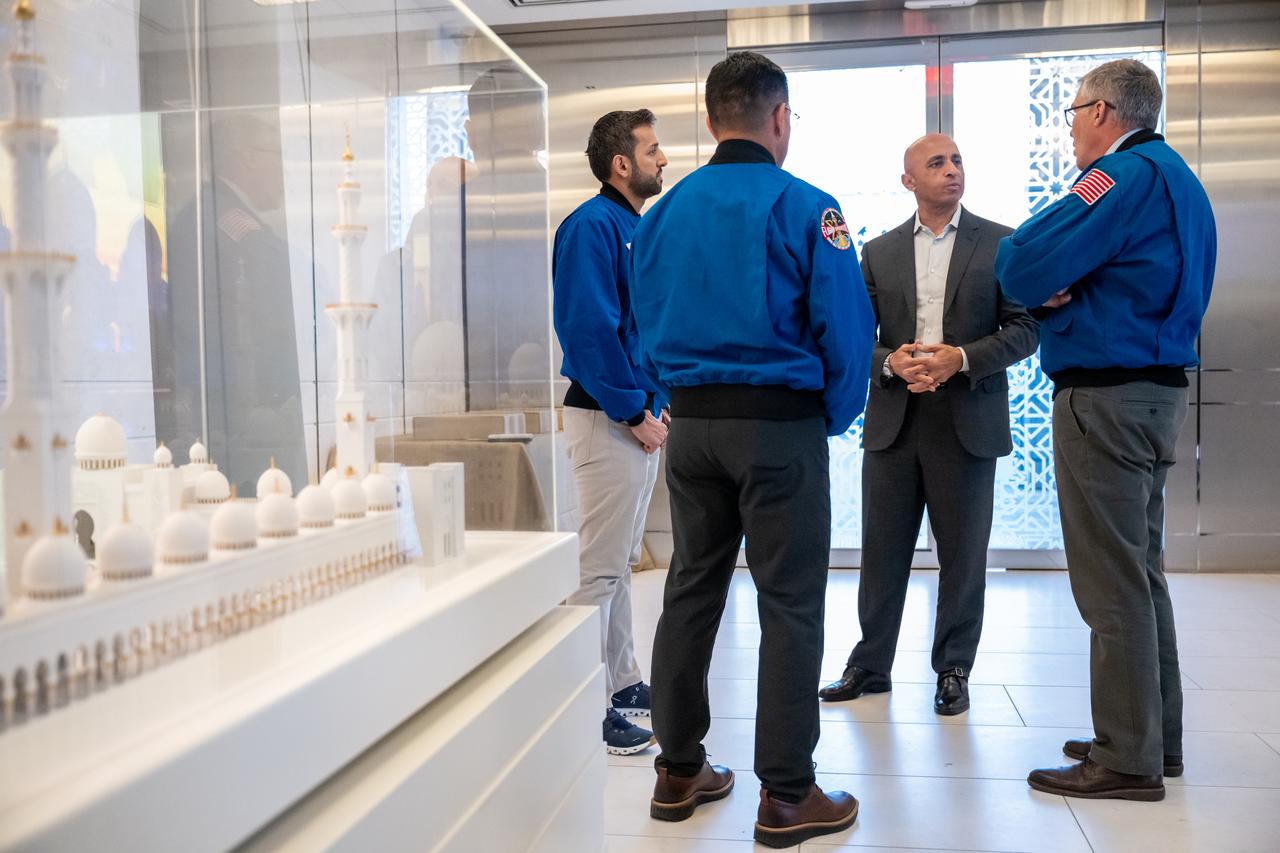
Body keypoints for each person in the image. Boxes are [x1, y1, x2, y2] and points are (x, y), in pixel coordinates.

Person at [629, 51, 875, 849]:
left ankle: (678, 770)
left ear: (709, 121)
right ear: (780, 119)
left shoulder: (660, 214)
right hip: (778, 426)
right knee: (790, 602)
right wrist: (827, 419)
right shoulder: (809, 207)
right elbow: (847, 326)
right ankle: (788, 794)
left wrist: (677, 398)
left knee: (689, 592)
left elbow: (644, 321)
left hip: (692, 428)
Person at [995, 59, 1216, 801]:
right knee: (1142, 574)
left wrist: (1056, 282)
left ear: (1101, 113)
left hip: (1106, 397)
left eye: (1072, 114)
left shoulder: (1118, 177)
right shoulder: (1181, 180)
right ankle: (1156, 736)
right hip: (1156, 393)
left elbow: (1021, 264)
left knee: (1111, 583)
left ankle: (1125, 757)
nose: (1069, 132)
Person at [818, 134, 1038, 715]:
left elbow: (1024, 329)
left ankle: (954, 669)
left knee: (962, 556)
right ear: (908, 181)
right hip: (896, 418)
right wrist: (889, 363)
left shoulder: (1001, 242)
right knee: (881, 551)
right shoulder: (879, 251)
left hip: (967, 417)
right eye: (936, 163)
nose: (951, 171)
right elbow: (851, 335)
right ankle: (869, 665)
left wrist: (959, 358)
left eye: (958, 160)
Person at [553, 109, 670, 756]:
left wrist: (658, 403)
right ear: (620, 163)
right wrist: (633, 410)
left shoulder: (635, 226)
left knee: (621, 564)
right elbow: (589, 331)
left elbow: (643, 327)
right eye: (652, 149)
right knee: (598, 569)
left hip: (637, 415)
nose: (663, 158)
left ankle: (622, 679)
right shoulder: (590, 227)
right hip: (606, 416)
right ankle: (583, 702)